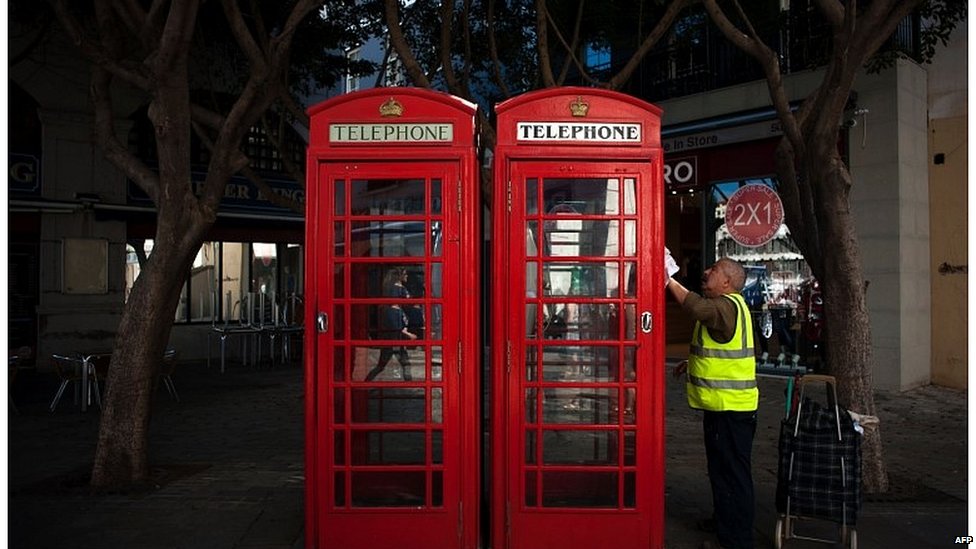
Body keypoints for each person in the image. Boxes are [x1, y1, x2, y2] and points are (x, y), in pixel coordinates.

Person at [666, 254, 758, 549]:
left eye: (714, 270)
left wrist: (666, 278)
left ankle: (736, 540)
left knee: (732, 474)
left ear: (728, 282)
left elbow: (695, 308)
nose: (706, 272)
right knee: (721, 469)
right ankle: (724, 522)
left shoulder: (724, 306)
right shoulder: (734, 307)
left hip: (730, 408)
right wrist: (690, 363)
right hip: (726, 407)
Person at [365, 267, 417, 381]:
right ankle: (411, 387)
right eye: (405, 274)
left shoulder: (391, 299)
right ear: (400, 276)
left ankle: (366, 382)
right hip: (394, 340)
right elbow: (396, 325)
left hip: (393, 340)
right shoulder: (395, 306)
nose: (407, 276)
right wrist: (408, 334)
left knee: (392, 365)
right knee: (401, 364)